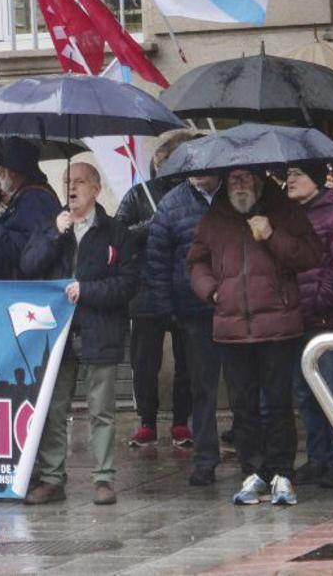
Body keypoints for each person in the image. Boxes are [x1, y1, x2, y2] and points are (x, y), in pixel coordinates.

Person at [188, 167, 322, 506]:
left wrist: (272, 234)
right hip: (231, 327)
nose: (239, 184)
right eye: (233, 179)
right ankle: (253, 471)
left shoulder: (284, 210)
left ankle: (282, 472)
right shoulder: (214, 217)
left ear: (259, 180)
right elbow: (196, 262)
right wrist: (212, 291)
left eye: (245, 177)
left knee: (278, 404)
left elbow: (310, 255)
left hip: (278, 325)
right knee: (242, 405)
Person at [22, 163, 138, 506]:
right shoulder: (52, 225)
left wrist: (88, 291)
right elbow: (29, 266)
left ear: (97, 189)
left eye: (80, 182)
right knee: (55, 407)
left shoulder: (116, 232)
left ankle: (103, 478)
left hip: (100, 329)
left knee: (100, 408)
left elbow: (128, 283)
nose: (71, 188)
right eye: (67, 182)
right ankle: (52, 478)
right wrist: (53, 235)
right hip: (58, 332)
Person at [117, 130, 198, 449]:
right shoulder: (139, 195)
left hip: (184, 287)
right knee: (145, 363)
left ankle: (180, 422)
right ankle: (147, 422)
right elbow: (119, 235)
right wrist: (150, 225)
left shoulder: (192, 196)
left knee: (187, 361)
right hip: (145, 288)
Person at [286, 164, 333, 489]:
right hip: (296, 319)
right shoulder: (289, 216)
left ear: (315, 180)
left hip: (327, 322)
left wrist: (320, 299)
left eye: (297, 173)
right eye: (288, 174)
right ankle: (317, 458)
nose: (290, 180)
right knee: (305, 393)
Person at [146, 173, 223, 486]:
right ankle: (205, 458)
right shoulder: (172, 203)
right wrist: (166, 309)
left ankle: (255, 459)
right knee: (202, 388)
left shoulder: (235, 193)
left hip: (238, 306)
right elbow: (157, 259)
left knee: (247, 387)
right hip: (193, 309)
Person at [0, 139, 60, 280]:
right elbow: (12, 236)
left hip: (24, 288)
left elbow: (24, 251)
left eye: (0, 170)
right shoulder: (26, 197)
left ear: (12, 172)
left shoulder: (36, 200)